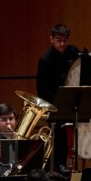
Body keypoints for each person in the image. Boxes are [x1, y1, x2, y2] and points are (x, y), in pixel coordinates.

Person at [35, 24, 79, 170]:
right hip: (54, 103)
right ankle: (58, 164)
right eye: (59, 40)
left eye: (65, 40)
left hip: (71, 102)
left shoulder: (72, 52)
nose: (62, 44)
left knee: (75, 132)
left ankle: (70, 163)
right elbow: (42, 90)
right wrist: (59, 102)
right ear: (51, 39)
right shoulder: (45, 60)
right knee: (59, 135)